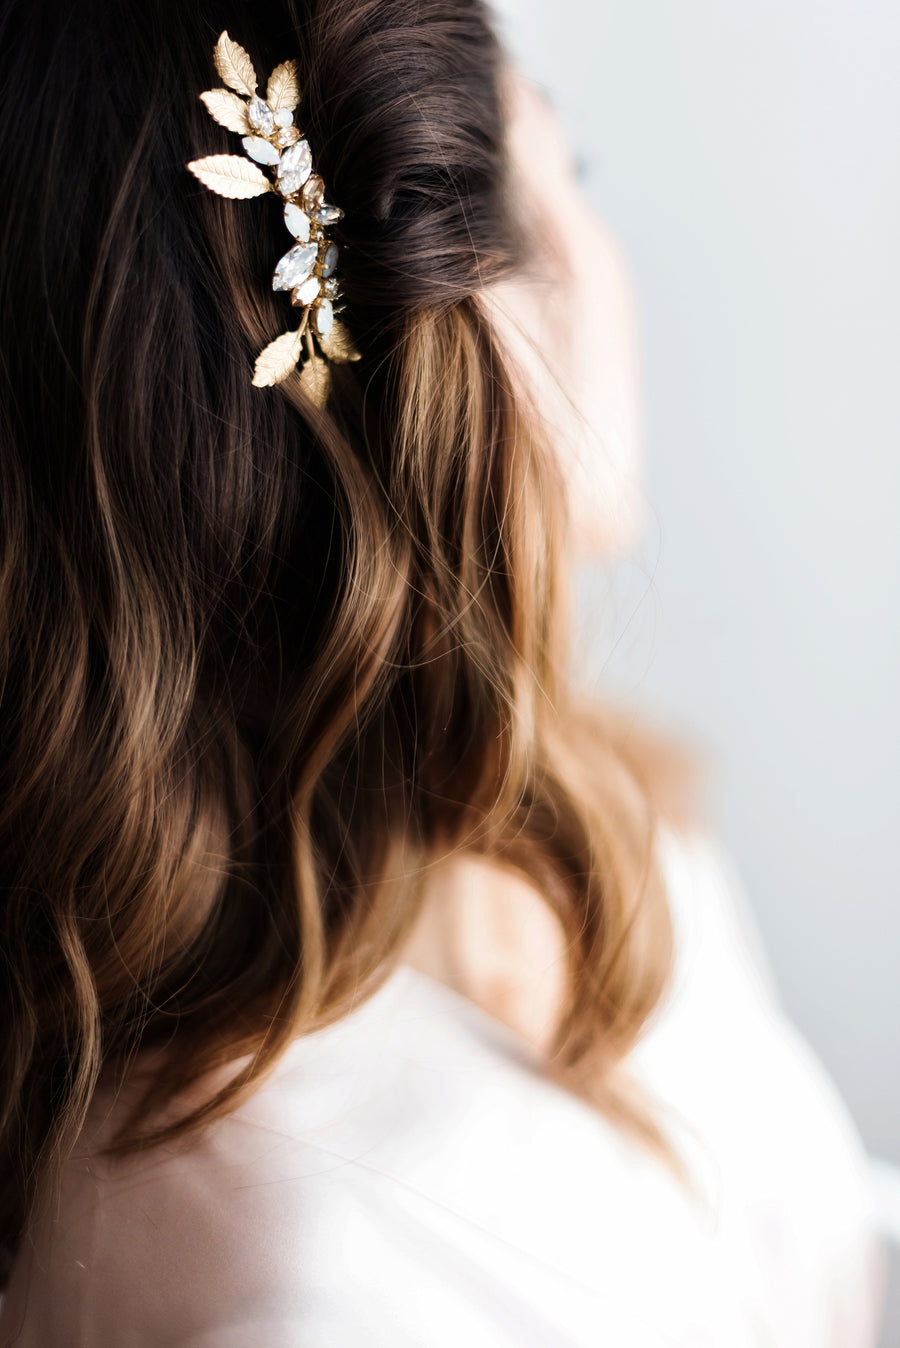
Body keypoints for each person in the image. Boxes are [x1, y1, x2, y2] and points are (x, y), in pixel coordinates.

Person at [0, 0, 887, 1343]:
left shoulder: (599, 829)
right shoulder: (301, 1282)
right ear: (434, 333)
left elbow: (827, 1261)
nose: (602, 265)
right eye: (560, 174)